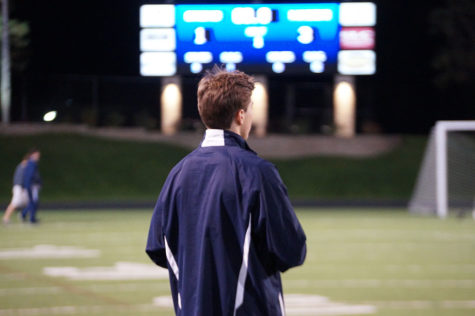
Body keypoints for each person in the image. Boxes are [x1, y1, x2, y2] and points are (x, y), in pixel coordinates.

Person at [146, 67, 307, 315]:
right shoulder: (257, 172)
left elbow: (158, 247)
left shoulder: (178, 173)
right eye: (251, 107)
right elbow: (291, 250)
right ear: (241, 115)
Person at [2, 153, 30, 224]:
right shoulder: (22, 167)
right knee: (15, 203)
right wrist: (22, 187)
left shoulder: (22, 167)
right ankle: (6, 218)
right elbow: (20, 179)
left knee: (27, 202)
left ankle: (22, 215)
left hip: (20, 187)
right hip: (19, 188)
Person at [20, 148, 42, 223]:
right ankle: (31, 218)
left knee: (32, 202)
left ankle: (24, 214)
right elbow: (30, 176)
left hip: (31, 185)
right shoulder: (31, 163)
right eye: (37, 155)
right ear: (32, 155)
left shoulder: (31, 163)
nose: (38, 157)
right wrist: (36, 183)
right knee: (33, 202)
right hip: (31, 186)